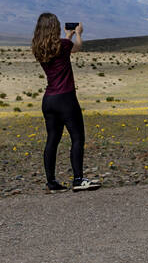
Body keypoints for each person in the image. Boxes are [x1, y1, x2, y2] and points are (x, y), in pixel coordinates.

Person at [31, 12, 100, 192]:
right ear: (55, 27)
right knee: (77, 137)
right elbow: (76, 47)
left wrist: (68, 36)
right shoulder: (63, 45)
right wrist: (78, 33)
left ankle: (51, 182)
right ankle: (78, 179)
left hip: (49, 99)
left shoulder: (38, 48)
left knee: (52, 140)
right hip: (66, 98)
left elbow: (61, 48)